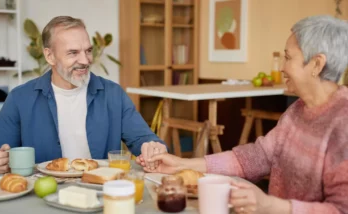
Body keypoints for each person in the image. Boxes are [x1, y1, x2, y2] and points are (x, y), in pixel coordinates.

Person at [137, 15, 348, 214]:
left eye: (288, 57)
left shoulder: (343, 122)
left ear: (317, 64)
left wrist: (269, 205)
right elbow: (256, 158)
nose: (282, 68)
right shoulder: (297, 111)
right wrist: (181, 164)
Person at [0, 16, 167, 174]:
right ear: (50, 56)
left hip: (99, 190)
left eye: (88, 51)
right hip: (42, 195)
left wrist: (153, 147)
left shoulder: (113, 94)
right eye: (73, 53)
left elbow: (144, 139)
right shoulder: (20, 98)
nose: (85, 60)